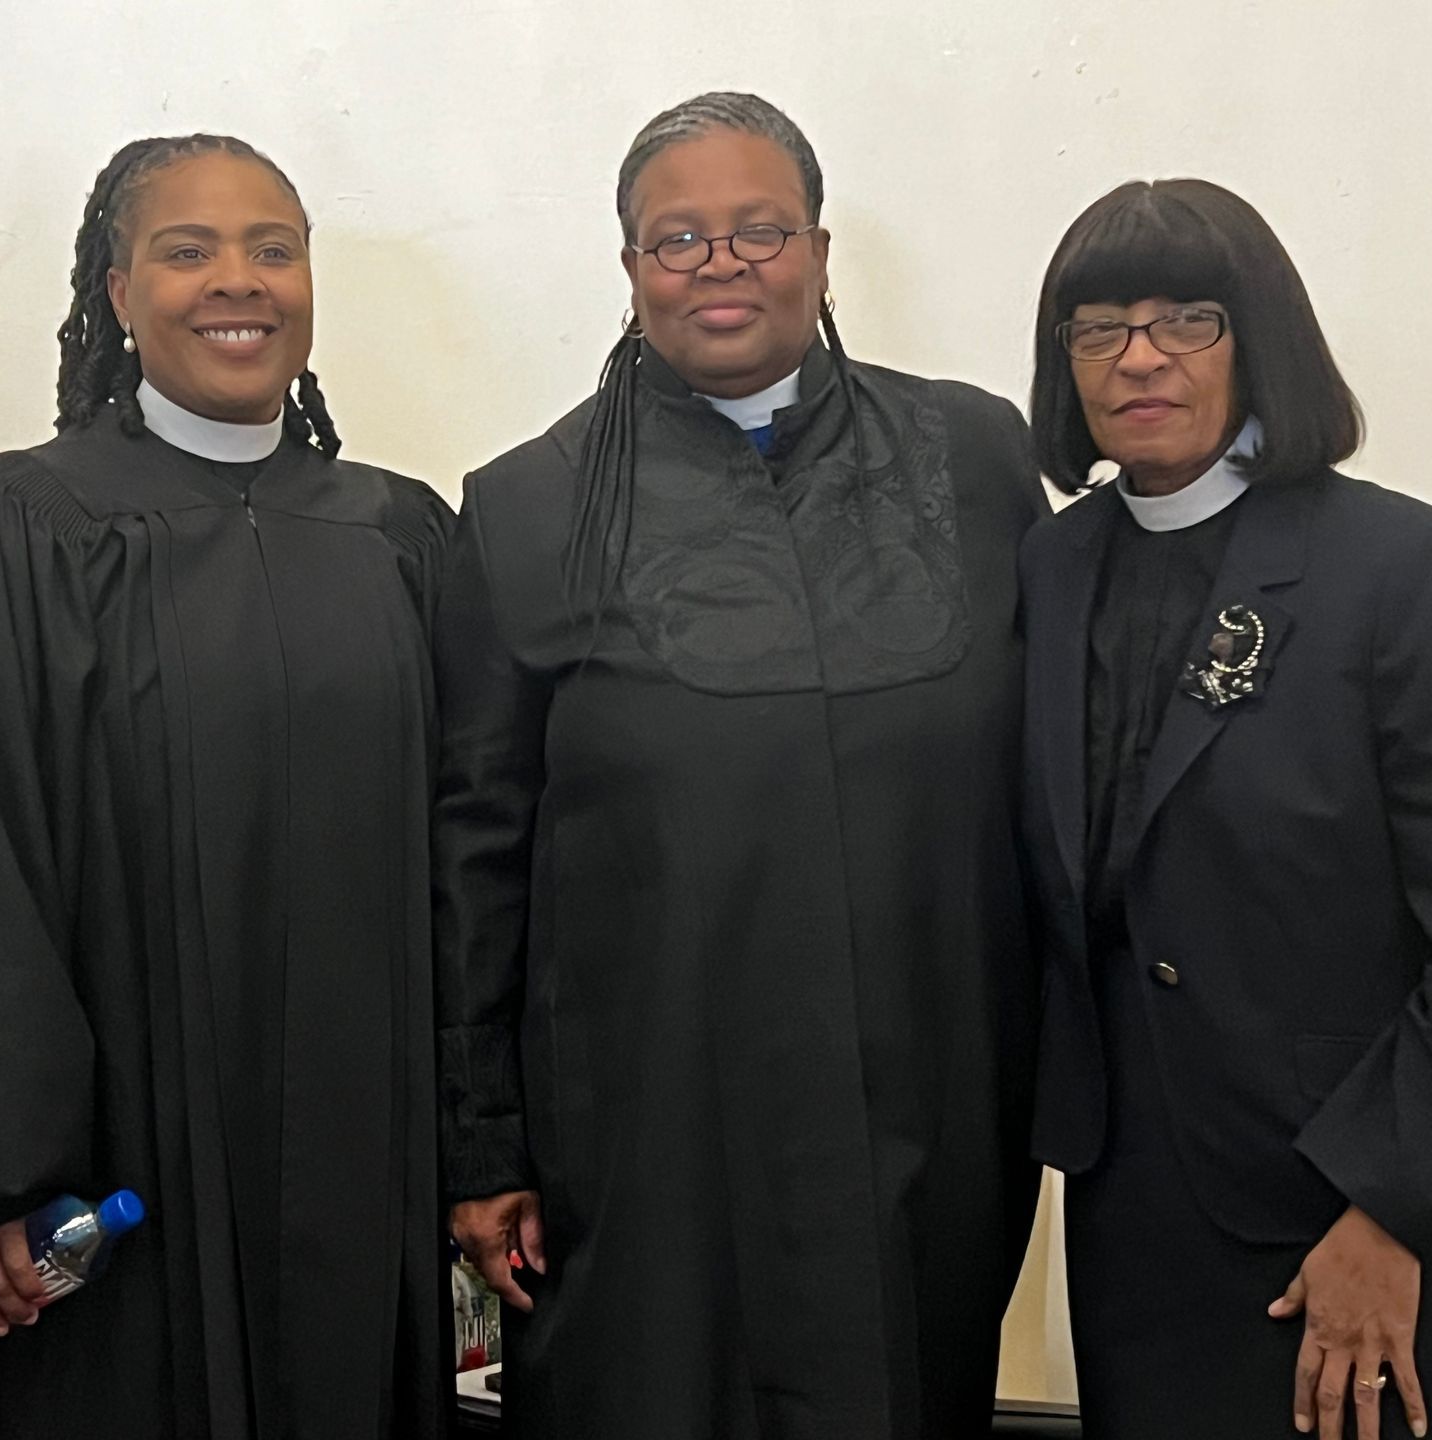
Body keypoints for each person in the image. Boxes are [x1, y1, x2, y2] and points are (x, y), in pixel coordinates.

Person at [0, 134, 451, 1439]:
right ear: (120, 290)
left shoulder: (403, 538)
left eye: (273, 249)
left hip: (365, 1168)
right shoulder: (9, 531)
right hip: (96, 1198)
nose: (237, 280)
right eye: (188, 250)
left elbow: (475, 856)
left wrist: (483, 1152)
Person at [435, 91, 1046, 1439]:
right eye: (680, 238)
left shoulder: (976, 458)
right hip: (648, 1119)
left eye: (760, 230)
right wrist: (481, 1144)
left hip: (933, 1092)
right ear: (630, 266)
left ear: (821, 250)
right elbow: (476, 849)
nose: (722, 264)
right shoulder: (527, 504)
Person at [1020, 177, 1432, 1440]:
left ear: (1261, 338)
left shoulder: (1403, 567)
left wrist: (1387, 1206)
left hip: (1398, 1205)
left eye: (1188, 319)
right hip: (1151, 1216)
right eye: (1099, 327)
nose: (1139, 357)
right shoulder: (1049, 569)